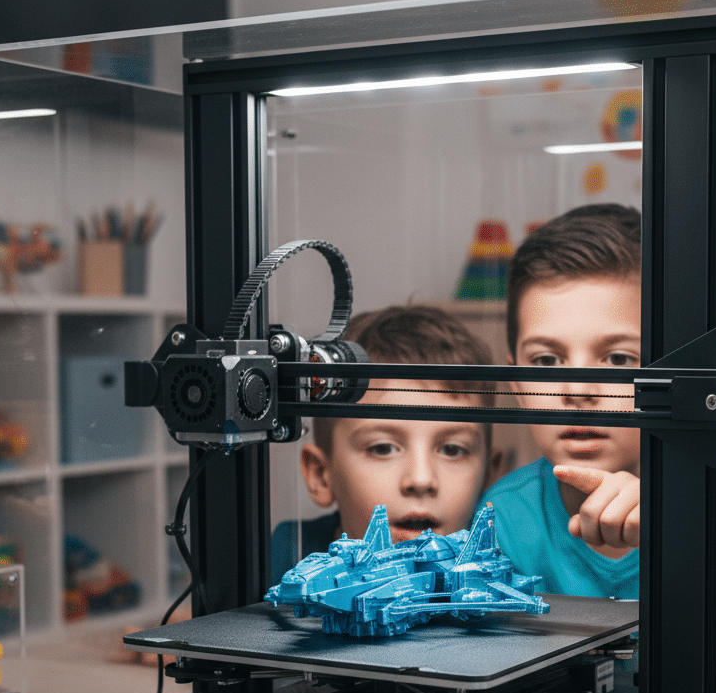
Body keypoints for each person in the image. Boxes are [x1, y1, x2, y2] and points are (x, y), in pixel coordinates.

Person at [478, 203, 641, 598]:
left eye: (618, 358)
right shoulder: (505, 519)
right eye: (547, 360)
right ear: (516, 383)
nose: (578, 390)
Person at [270, 305, 496, 581]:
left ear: (490, 477)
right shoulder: (282, 560)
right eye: (382, 448)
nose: (421, 479)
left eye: (452, 450)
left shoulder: (503, 567)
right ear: (320, 475)